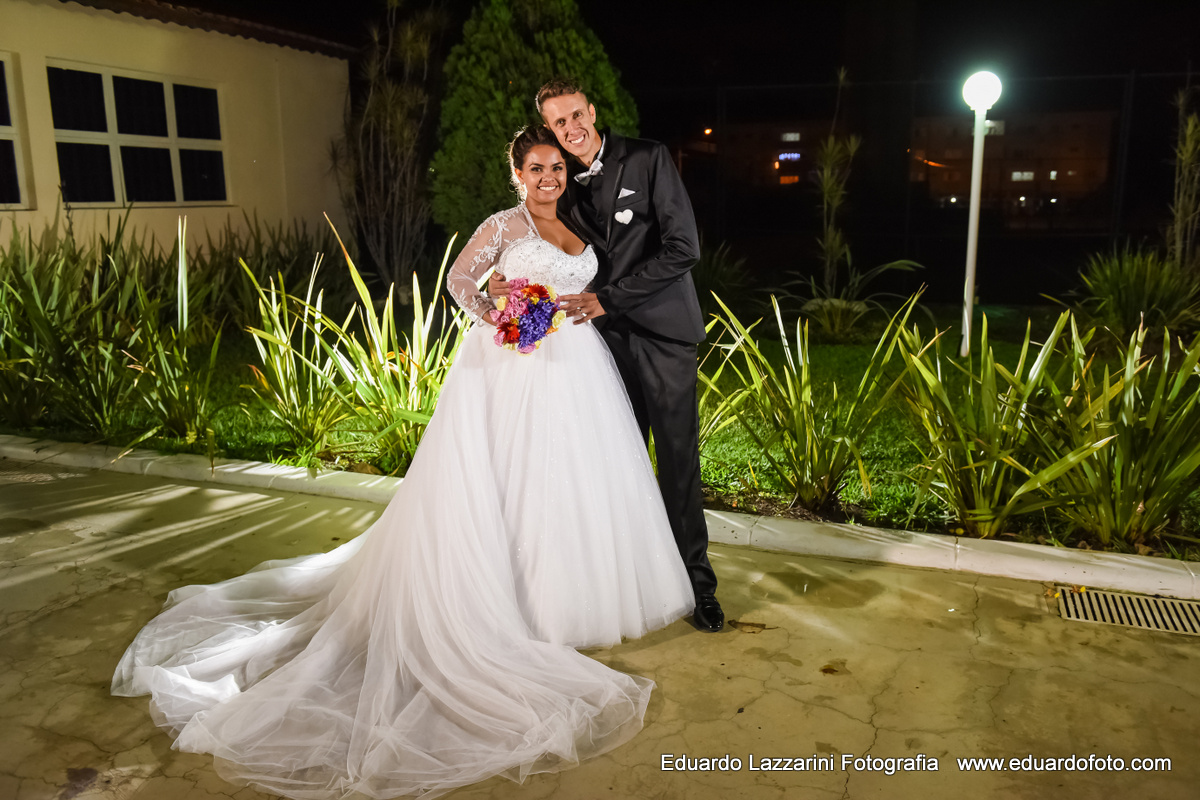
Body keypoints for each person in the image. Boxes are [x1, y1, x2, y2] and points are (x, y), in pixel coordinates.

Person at [111, 125, 695, 800]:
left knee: (576, 485)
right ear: (517, 174)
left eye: (556, 168)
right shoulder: (503, 225)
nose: (548, 178)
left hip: (579, 370)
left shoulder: (575, 222)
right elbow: (460, 280)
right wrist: (502, 316)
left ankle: (575, 600)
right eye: (536, 168)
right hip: (514, 370)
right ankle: (524, 609)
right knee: (515, 483)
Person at [492, 78, 723, 632]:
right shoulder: (559, 183)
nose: (571, 128)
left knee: (677, 463)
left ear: (592, 112)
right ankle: (635, 586)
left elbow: (683, 248)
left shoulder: (648, 158)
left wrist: (612, 298)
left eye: (576, 115)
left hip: (663, 334)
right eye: (559, 122)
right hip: (600, 343)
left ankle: (698, 587)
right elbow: (536, 241)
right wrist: (504, 280)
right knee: (616, 466)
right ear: (550, 130)